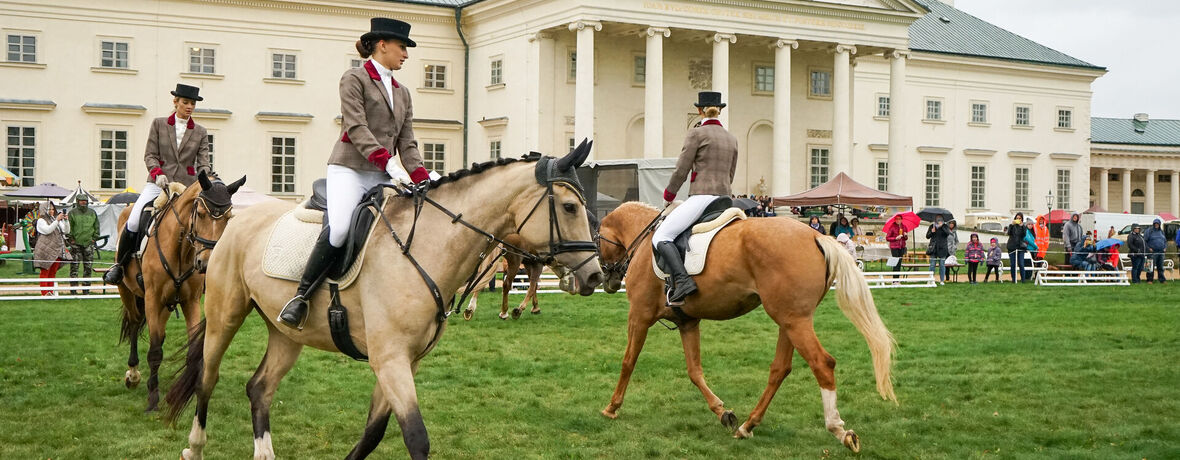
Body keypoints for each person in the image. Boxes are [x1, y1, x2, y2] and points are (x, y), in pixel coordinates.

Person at [279, 18, 433, 328]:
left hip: (383, 173)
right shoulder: (354, 78)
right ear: (382, 45)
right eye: (402, 47)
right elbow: (356, 126)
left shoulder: (403, 93)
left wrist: (422, 177)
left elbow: (408, 141)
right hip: (350, 168)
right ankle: (301, 297)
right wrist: (387, 161)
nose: (406, 54)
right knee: (339, 229)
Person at [104, 83, 211, 285]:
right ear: (176, 102)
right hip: (158, 183)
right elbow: (150, 155)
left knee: (202, 222)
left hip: (186, 187)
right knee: (134, 220)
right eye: (185, 102)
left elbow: (203, 162)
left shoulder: (200, 131)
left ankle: (203, 270)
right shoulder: (159, 124)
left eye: (192, 104)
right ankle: (119, 266)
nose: (189, 106)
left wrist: (207, 180)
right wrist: (157, 173)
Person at [647, 90, 738, 305]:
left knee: (661, 236)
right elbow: (731, 174)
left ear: (699, 110)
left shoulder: (696, 134)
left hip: (702, 196)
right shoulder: (732, 139)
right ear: (720, 111)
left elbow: (681, 169)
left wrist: (669, 195)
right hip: (725, 198)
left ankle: (683, 281)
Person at [34, 202, 70, 296]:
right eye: (49, 209)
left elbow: (66, 231)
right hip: (45, 249)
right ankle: (44, 293)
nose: (51, 211)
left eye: (53, 209)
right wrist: (57, 220)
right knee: (45, 271)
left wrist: (66, 221)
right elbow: (48, 230)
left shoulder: (55, 219)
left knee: (53, 272)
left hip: (56, 249)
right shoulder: (41, 220)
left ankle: (51, 291)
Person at [66, 196, 100, 295]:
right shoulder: (72, 213)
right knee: (74, 268)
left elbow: (96, 226)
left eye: (85, 201)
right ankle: (73, 290)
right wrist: (71, 239)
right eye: (81, 201)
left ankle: (86, 290)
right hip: (75, 244)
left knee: (88, 268)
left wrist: (94, 238)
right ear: (77, 202)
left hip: (89, 244)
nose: (83, 203)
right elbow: (69, 227)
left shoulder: (92, 213)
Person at [926, 216, 950, 285]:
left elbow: (947, 233)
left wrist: (941, 226)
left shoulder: (945, 226)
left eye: (940, 219)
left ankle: (942, 280)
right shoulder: (932, 226)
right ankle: (930, 279)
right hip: (933, 248)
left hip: (942, 248)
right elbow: (927, 236)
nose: (938, 220)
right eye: (937, 219)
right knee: (932, 265)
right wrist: (931, 232)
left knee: (942, 265)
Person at [1005, 212, 1029, 282]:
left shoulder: (1023, 226)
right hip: (1012, 247)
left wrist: (1022, 226)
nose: (1018, 219)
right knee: (1013, 264)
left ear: (1022, 219)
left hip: (1020, 247)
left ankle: (1023, 280)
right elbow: (1009, 233)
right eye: (1017, 218)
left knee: (1021, 264)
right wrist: (1012, 225)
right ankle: (1013, 279)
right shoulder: (1011, 226)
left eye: (1020, 218)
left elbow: (1024, 235)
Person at [1144, 218, 1168, 284]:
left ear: (1159, 224)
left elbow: (1165, 241)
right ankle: (1149, 280)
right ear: (1153, 224)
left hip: (1161, 252)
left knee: (1160, 267)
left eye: (1158, 224)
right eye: (1155, 223)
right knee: (1149, 267)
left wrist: (1165, 247)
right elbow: (1145, 241)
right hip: (1151, 252)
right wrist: (1149, 248)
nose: (1156, 225)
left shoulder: (1162, 232)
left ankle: (1162, 279)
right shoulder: (1149, 231)